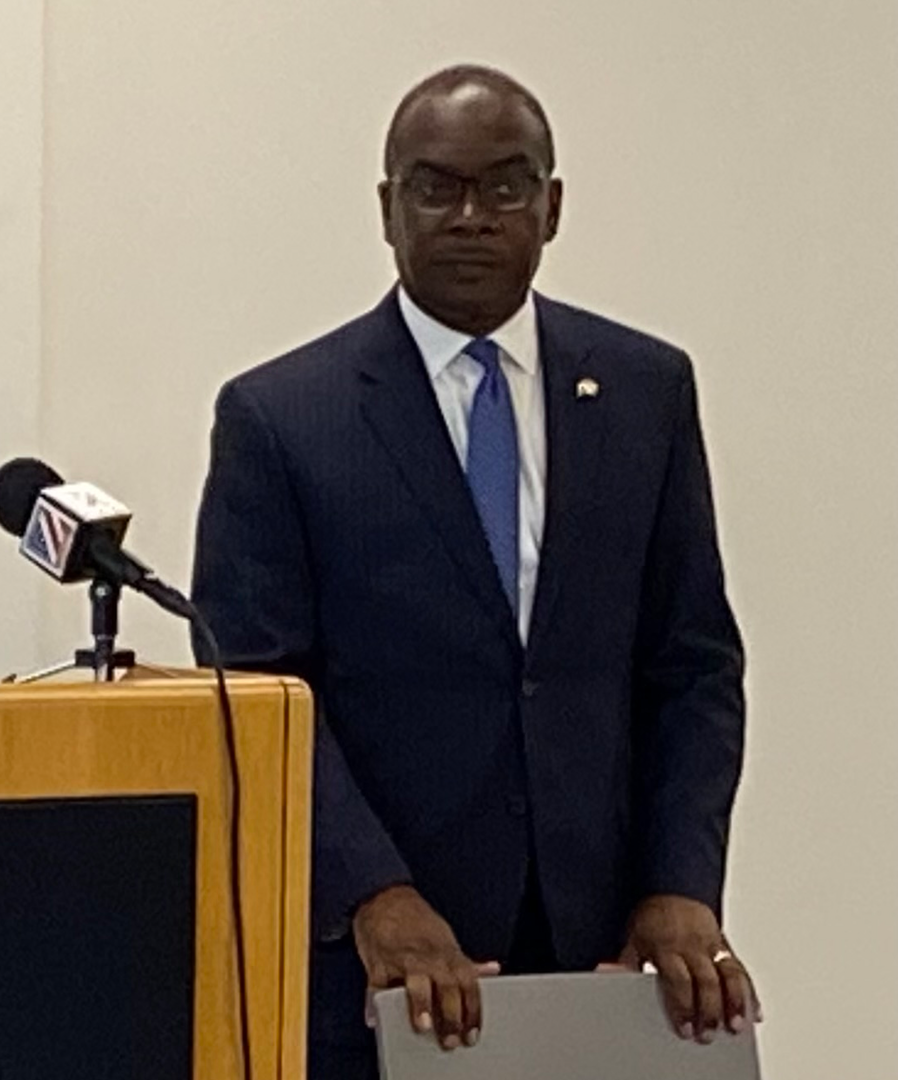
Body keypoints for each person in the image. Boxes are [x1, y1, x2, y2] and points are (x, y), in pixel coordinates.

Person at [190, 65, 758, 1080]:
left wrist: (682, 884)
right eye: (434, 187)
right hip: (388, 971)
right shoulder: (284, 419)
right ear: (386, 206)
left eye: (504, 186)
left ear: (552, 205)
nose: (470, 217)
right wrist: (374, 894)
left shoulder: (644, 390)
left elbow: (693, 666)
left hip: (612, 961)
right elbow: (261, 695)